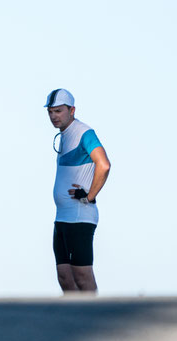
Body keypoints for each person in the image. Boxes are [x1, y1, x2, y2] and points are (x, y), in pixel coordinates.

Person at [45, 88, 111, 293]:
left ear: (71, 110)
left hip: (80, 217)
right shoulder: (64, 135)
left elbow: (104, 164)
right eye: (50, 112)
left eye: (58, 111)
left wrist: (90, 195)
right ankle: (73, 321)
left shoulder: (84, 132)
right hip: (62, 217)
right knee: (64, 276)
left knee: (82, 276)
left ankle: (95, 319)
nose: (54, 116)